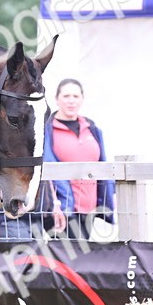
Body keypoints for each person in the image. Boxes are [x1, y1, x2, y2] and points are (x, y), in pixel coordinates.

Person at [43, 79, 115, 240]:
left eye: (75, 96)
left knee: (83, 258)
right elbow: (45, 168)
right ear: (57, 99)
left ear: (82, 99)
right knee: (67, 260)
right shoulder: (47, 130)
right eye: (66, 95)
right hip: (62, 210)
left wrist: (109, 198)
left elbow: (103, 165)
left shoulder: (93, 129)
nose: (71, 100)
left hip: (89, 210)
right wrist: (56, 204)